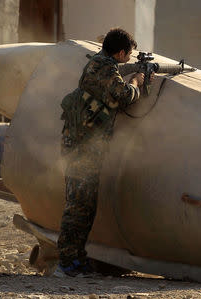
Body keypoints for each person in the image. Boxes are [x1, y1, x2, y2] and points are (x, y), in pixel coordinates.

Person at [55, 28, 149, 277]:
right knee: (78, 206)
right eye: (128, 55)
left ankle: (75, 259)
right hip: (82, 147)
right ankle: (66, 263)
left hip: (83, 144)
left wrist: (131, 72)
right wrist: (138, 81)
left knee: (85, 205)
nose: (128, 59)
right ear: (120, 52)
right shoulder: (106, 69)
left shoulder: (100, 63)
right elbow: (125, 95)